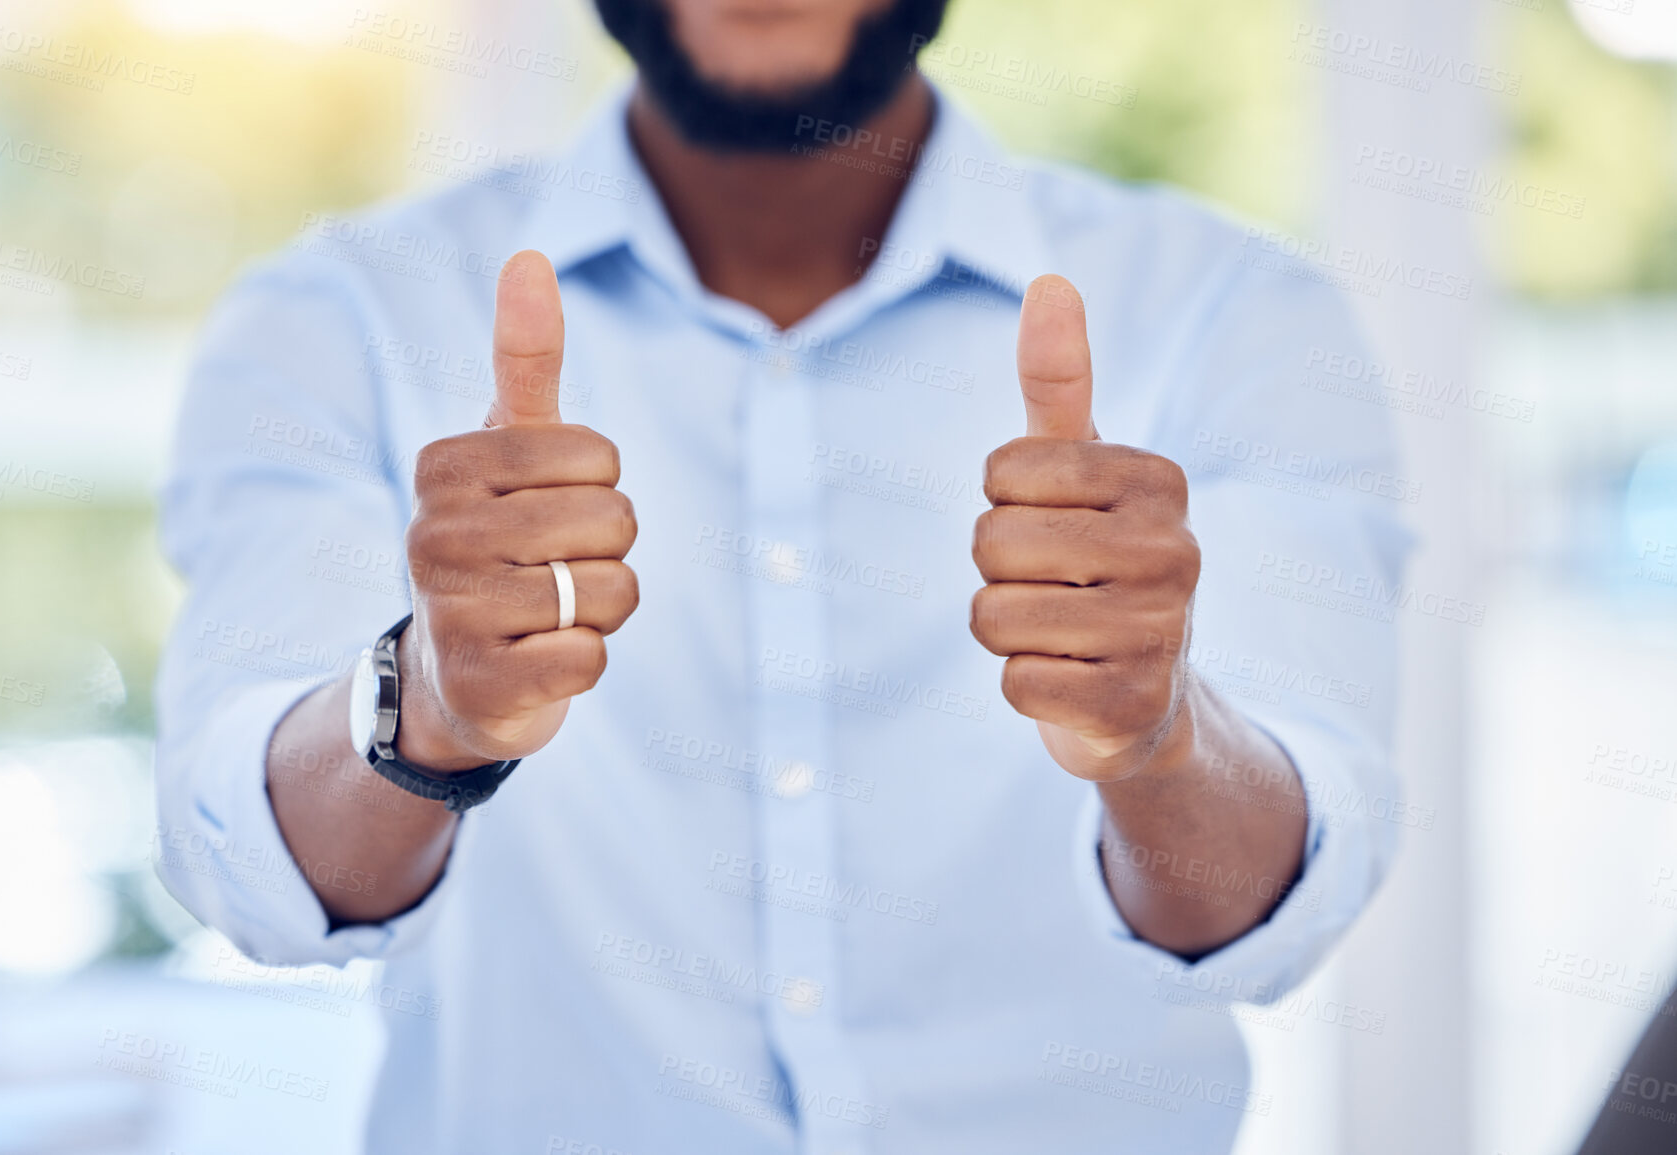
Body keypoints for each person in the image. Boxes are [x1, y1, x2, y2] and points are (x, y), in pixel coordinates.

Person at [154, 0, 1408, 1149]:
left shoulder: (1238, 317)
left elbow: (1275, 906)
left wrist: (1160, 742)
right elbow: (253, 868)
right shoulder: (335, 319)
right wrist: (426, 710)